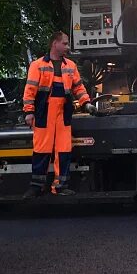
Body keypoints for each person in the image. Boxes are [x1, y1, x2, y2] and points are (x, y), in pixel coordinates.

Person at [22, 31, 95, 198]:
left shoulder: (70, 66)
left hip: (63, 113)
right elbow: (30, 91)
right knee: (41, 150)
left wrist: (87, 103)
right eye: (65, 43)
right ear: (54, 43)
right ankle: (36, 187)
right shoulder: (37, 65)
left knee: (63, 150)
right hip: (43, 113)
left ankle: (60, 186)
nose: (67, 47)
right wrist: (29, 112)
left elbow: (78, 88)